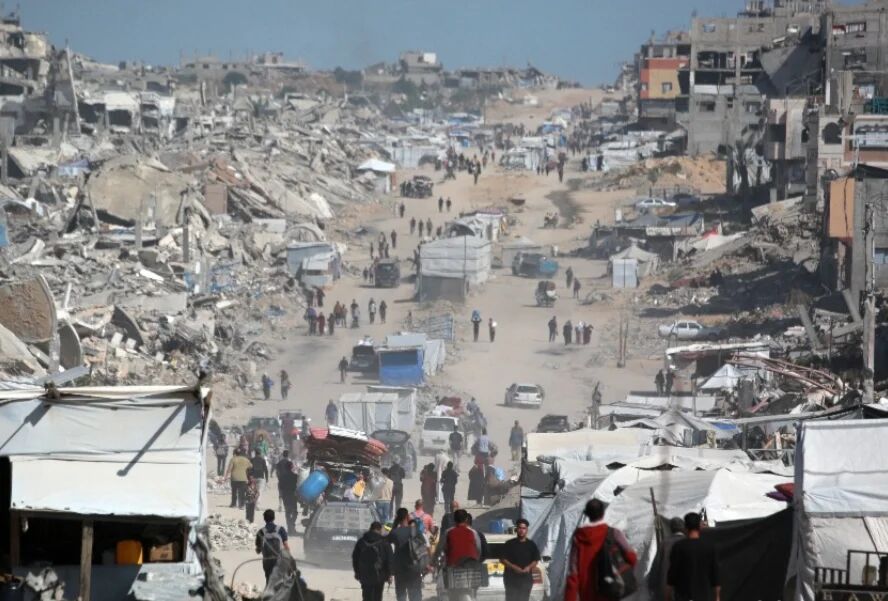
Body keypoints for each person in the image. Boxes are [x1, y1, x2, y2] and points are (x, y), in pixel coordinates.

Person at [565, 499, 637, 601]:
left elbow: (573, 573)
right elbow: (632, 557)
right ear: (603, 513)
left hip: (587, 595)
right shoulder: (613, 533)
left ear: (587, 515)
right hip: (610, 591)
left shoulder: (579, 538)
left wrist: (570, 598)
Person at [667, 512, 719, 601]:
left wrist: (668, 595)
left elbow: (672, 574)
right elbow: (715, 574)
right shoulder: (709, 547)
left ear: (685, 527)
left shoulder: (678, 547)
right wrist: (717, 597)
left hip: (683, 595)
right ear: (700, 526)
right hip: (703, 595)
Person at [439, 509, 484, 601]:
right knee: (472, 591)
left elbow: (440, 548)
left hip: (453, 567)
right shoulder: (473, 533)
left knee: (451, 593)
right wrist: (476, 560)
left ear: (454, 520)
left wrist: (433, 562)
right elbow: (479, 549)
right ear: (466, 519)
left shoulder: (448, 532)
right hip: (471, 567)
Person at [387, 508, 424, 601]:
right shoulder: (415, 530)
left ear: (397, 518)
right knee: (415, 596)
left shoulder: (395, 532)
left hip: (400, 569)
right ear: (407, 517)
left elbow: (386, 542)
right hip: (414, 567)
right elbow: (423, 545)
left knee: (401, 596)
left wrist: (394, 524)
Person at [501, 519, 541, 601]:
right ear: (516, 529)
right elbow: (503, 559)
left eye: (524, 528)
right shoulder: (509, 544)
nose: (521, 530)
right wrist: (514, 567)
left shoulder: (531, 545)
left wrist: (529, 567)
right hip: (511, 579)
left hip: (526, 579)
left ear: (527, 530)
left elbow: (535, 560)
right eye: (520, 528)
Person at [353, 521, 393, 601]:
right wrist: (389, 574)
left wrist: (357, 572)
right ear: (379, 529)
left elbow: (355, 558)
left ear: (370, 529)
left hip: (365, 574)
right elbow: (389, 559)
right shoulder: (384, 542)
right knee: (377, 596)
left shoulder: (361, 541)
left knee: (366, 596)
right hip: (380, 574)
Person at [648, 517, 686, 601]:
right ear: (683, 528)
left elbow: (656, 565)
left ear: (671, 529)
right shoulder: (689, 542)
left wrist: (651, 584)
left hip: (666, 588)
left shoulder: (664, 543)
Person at [256, 509, 289, 584]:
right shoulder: (280, 529)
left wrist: (260, 549)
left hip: (267, 561)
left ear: (264, 519)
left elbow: (258, 550)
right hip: (279, 559)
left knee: (268, 579)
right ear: (274, 518)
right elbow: (286, 546)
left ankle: (269, 589)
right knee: (280, 579)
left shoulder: (261, 531)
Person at [276, 451, 298, 530]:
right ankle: (292, 524)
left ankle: (289, 527)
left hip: (285, 495)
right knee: (295, 512)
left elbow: (280, 487)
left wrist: (281, 497)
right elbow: (297, 486)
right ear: (291, 467)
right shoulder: (295, 476)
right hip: (293, 495)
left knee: (288, 511)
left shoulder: (279, 465)